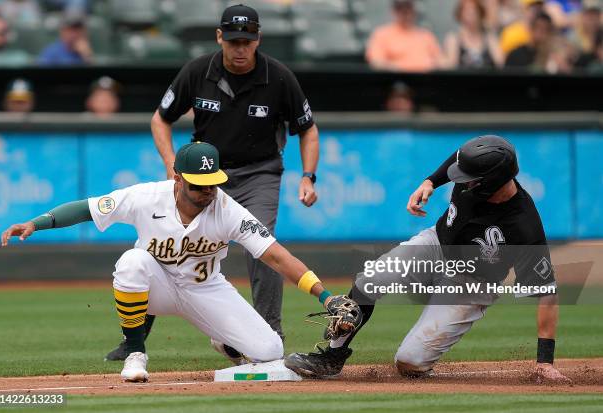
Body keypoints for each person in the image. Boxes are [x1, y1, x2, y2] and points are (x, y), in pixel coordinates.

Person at [0, 142, 358, 382]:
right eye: (199, 184)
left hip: (205, 288)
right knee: (132, 262)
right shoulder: (145, 197)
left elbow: (277, 256)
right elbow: (88, 208)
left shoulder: (228, 209)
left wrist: (325, 296)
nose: (207, 191)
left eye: (212, 183)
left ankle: (227, 342)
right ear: (177, 177)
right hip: (156, 285)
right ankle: (136, 352)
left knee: (269, 350)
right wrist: (37, 222)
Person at [104, 4, 320, 361]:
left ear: (258, 40)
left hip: (259, 172)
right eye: (233, 40)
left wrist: (309, 176)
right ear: (220, 37)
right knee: (163, 241)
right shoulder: (197, 71)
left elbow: (307, 128)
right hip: (202, 176)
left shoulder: (279, 77)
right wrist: (171, 164)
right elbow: (160, 120)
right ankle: (136, 337)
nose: (239, 49)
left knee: (262, 242)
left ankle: (269, 333)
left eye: (247, 42)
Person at [284, 135, 571, 384]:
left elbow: (546, 293)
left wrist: (545, 362)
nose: (458, 177)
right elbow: (459, 159)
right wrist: (430, 181)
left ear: (489, 183)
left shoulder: (523, 227)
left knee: (409, 362)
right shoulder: (480, 169)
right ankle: (332, 358)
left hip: (471, 281)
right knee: (371, 279)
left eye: (467, 176)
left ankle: (419, 359)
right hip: (436, 245)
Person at [365, 0, 443, 72]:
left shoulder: (426, 35)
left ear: (414, 11)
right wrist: (403, 68)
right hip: (398, 81)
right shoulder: (382, 34)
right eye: (400, 8)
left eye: (408, 8)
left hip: (427, 81)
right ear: (393, 11)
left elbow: (440, 61)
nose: (405, 12)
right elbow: (377, 62)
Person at [444, 0, 504, 69]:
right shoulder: (454, 39)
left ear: (480, 13)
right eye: (467, 11)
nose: (471, 14)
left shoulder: (490, 38)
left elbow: (501, 64)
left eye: (475, 11)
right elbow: (451, 66)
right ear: (460, 14)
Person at [505, 12, 572, 73]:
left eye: (546, 30)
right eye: (538, 28)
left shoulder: (554, 57)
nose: (541, 35)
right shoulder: (516, 56)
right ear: (531, 28)